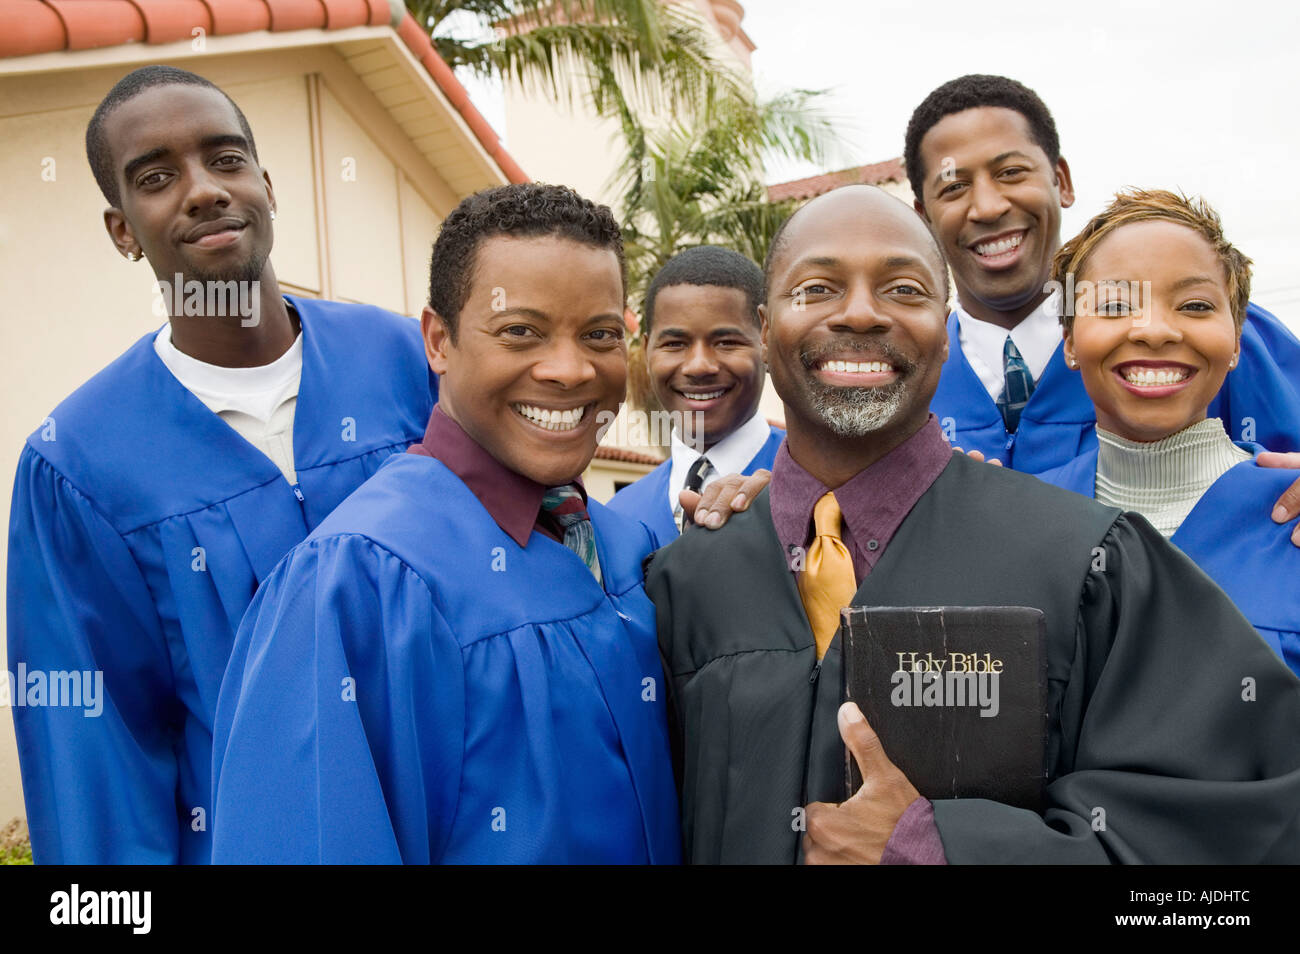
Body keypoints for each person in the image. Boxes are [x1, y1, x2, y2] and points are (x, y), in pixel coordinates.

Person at [645, 184, 1300, 864]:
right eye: (816, 289)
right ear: (762, 327)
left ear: (947, 327)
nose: (862, 313)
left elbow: (1228, 846)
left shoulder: (1086, 565)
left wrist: (937, 850)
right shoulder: (687, 581)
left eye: (903, 289)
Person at [6, 66, 435, 864]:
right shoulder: (80, 463)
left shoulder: (409, 362)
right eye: (157, 177)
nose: (203, 191)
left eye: (226, 159)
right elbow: (96, 752)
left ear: (268, 187)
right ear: (122, 230)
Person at [210, 184, 681, 864]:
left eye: (600, 335)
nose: (570, 370)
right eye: (521, 331)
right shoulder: (357, 579)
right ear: (438, 340)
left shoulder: (624, 543)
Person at [903, 75, 1300, 541]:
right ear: (922, 218)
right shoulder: (906, 379)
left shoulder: (1224, 338)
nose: (988, 207)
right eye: (954, 188)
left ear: (1061, 181)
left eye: (1011, 172)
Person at [1036, 189, 1298, 676]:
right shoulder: (1021, 520)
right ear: (1070, 343)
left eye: (1195, 305)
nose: (1154, 331)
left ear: (1237, 341)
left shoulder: (1290, 516)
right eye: (1114, 306)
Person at [608, 246, 783, 543]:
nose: (699, 366)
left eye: (726, 342)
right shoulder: (618, 517)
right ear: (648, 350)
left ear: (766, 342)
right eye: (675, 344)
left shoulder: (820, 484)